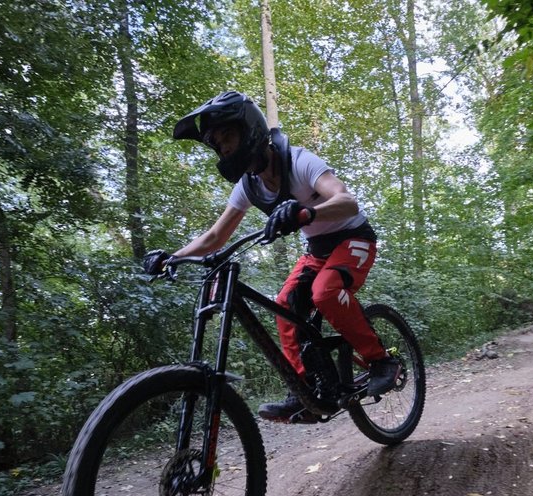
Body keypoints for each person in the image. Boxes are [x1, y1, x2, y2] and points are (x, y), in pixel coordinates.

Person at [143, 91, 401, 423]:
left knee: (324, 292)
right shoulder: (248, 186)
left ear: (249, 128)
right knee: (285, 305)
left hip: (354, 238)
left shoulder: (299, 161)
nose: (225, 149)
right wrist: (171, 258)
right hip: (319, 251)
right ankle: (305, 391)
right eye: (218, 145)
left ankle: (382, 361)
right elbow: (215, 237)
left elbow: (347, 201)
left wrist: (306, 212)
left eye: (228, 138)